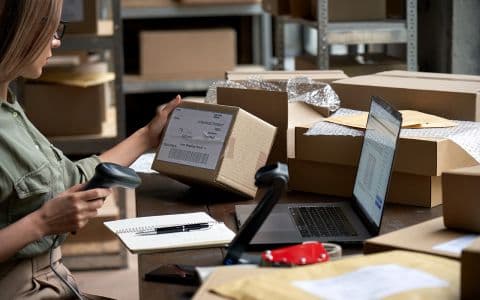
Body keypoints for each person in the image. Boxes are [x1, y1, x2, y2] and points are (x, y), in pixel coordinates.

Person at [0, 1, 181, 298]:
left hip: (54, 280)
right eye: (47, 28)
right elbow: (44, 211)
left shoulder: (9, 106)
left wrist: (148, 136)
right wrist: (42, 222)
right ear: (12, 30)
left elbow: (68, 177)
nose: (56, 40)